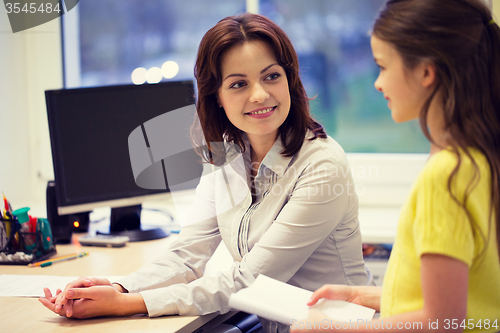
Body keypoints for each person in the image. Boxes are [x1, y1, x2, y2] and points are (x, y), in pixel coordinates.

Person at [39, 13, 371, 332]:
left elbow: (249, 282)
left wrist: (126, 303)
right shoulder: (227, 155)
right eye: (239, 84)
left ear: (290, 80)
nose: (260, 94)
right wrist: (117, 286)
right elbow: (187, 256)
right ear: (218, 99)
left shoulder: (321, 165)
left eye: (271, 76)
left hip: (343, 329)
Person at [291, 0, 500, 332]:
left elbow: (443, 322)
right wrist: (362, 295)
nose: (377, 82)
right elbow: (459, 299)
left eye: (383, 66)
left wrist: (330, 328)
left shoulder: (445, 175)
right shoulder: (480, 158)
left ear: (426, 72)